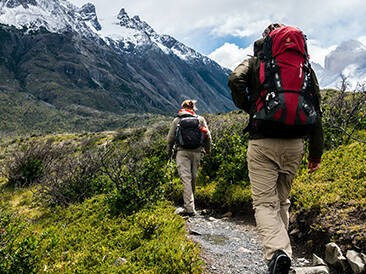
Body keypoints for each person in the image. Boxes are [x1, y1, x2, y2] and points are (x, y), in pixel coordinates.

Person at [228, 24, 324, 274]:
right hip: (296, 143)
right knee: (282, 201)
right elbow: (316, 107)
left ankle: (277, 253)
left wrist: (251, 107)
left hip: (263, 141)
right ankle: (283, 257)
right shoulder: (304, 67)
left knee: (263, 204)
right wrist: (316, 153)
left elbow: (235, 79)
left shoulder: (257, 61)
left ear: (267, 40)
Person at [167, 99, 212, 216]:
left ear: (182, 107)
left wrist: (169, 153)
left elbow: (170, 139)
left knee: (186, 179)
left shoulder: (177, 120)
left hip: (182, 152)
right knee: (193, 177)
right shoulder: (200, 119)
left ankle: (189, 208)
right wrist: (207, 150)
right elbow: (208, 136)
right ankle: (191, 205)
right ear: (194, 108)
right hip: (197, 152)